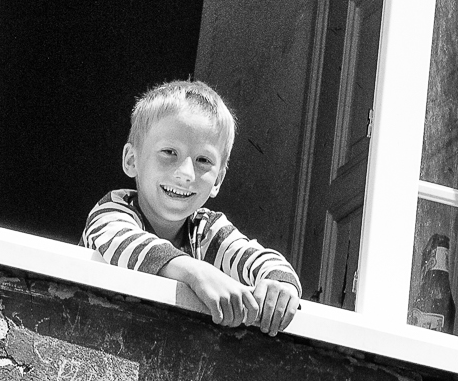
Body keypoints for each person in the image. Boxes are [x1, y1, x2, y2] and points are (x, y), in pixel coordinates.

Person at [82, 80, 302, 335]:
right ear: (132, 160)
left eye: (203, 160)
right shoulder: (111, 211)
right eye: (169, 152)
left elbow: (255, 257)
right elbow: (127, 244)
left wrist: (279, 284)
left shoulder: (207, 230)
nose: (186, 173)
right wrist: (195, 272)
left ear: (218, 180)